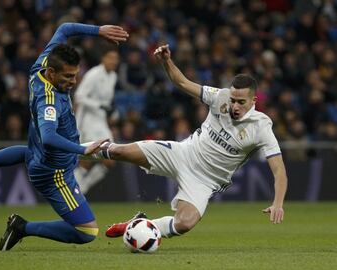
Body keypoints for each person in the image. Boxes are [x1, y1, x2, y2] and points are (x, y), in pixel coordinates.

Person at [0, 22, 128, 251]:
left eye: (75, 75)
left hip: (39, 155)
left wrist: (98, 31)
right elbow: (48, 137)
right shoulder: (49, 101)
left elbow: (64, 29)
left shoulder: (42, 65)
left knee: (27, 152)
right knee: (87, 231)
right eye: (68, 76)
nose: (73, 82)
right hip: (55, 173)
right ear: (53, 73)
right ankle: (23, 227)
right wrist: (82, 149)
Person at [89, 44, 287, 239]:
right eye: (233, 99)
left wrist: (278, 203)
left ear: (254, 101)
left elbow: (279, 170)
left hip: (205, 180)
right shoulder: (220, 96)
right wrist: (167, 61)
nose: (234, 106)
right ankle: (74, 149)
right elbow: (182, 82)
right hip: (182, 154)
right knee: (118, 152)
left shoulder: (261, 127)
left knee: (184, 223)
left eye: (241, 102)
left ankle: (138, 226)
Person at [74, 46, 120, 194]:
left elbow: (106, 102)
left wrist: (111, 113)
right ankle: (79, 190)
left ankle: (81, 188)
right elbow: (79, 96)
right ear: (103, 59)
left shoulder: (113, 76)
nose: (114, 61)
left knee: (109, 159)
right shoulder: (93, 74)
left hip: (101, 122)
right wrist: (99, 106)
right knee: (97, 159)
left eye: (116, 59)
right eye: (111, 58)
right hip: (88, 122)